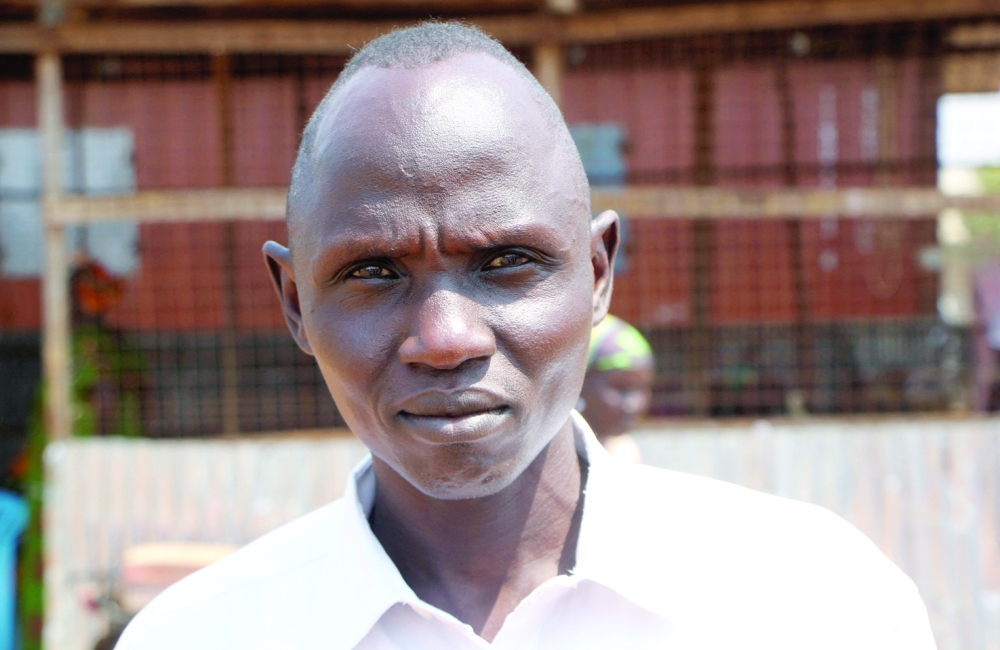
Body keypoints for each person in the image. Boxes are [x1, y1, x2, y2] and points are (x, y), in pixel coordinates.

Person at [117, 22, 935, 649]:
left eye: (507, 261)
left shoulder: (813, 603)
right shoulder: (204, 634)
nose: (443, 339)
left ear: (599, 273)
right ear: (295, 303)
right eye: (372, 273)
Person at [579, 314, 654, 463]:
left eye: (642, 389)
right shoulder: (543, 456)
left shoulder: (623, 454)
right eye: (621, 389)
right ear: (578, 382)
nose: (633, 404)